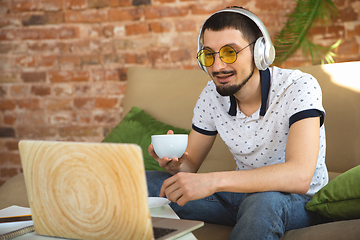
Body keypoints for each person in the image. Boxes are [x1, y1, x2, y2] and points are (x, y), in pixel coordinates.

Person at [146, 6, 329, 239]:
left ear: (260, 52)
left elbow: (299, 176)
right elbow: (189, 166)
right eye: (209, 55)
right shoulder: (212, 95)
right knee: (144, 182)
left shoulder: (299, 86)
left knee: (262, 201)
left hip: (297, 202)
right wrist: (175, 165)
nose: (218, 66)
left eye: (230, 53)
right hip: (239, 197)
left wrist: (213, 181)